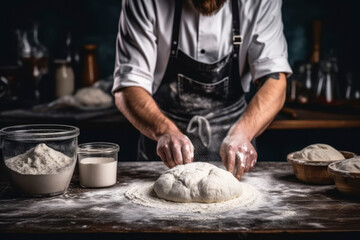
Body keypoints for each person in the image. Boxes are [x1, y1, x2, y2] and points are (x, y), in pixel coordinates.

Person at [113, 0, 292, 180]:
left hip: (236, 153)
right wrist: (165, 131)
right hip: (160, 159)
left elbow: (275, 81)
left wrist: (243, 133)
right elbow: (128, 86)